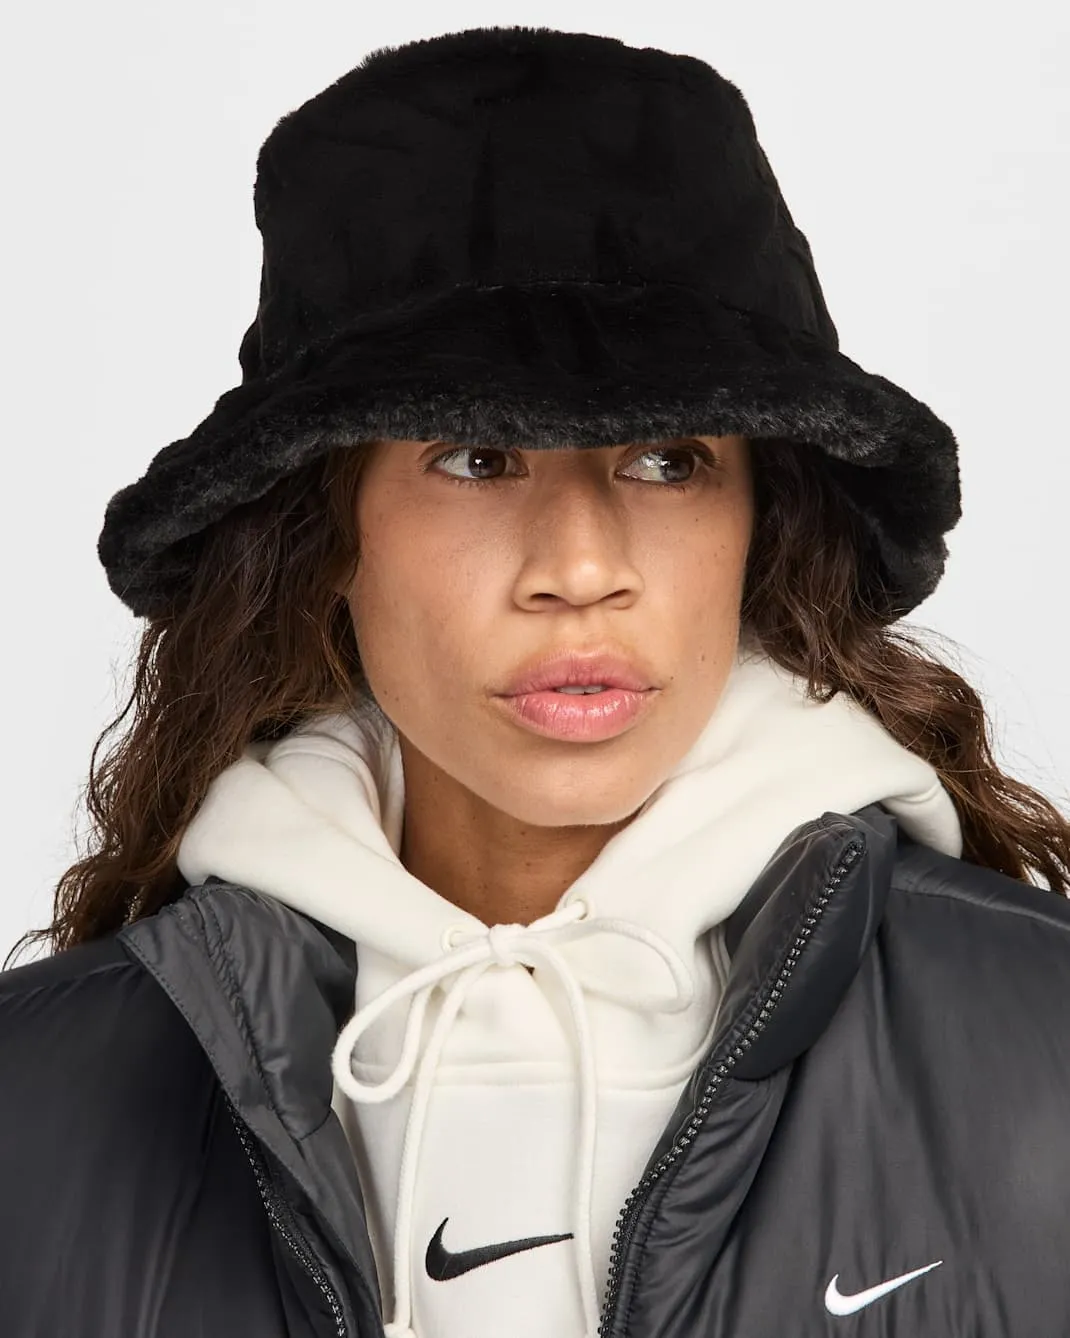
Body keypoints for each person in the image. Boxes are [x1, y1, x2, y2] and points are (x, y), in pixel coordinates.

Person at [2, 23, 1069, 1338]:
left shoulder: (1046, 1048)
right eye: (474, 458)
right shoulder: (35, 1102)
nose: (579, 567)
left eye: (668, 462)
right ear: (323, 527)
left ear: (763, 521)